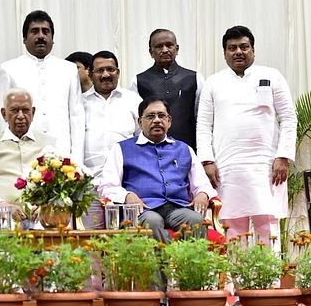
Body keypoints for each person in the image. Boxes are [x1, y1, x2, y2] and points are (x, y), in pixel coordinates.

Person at [196, 25, 297, 252]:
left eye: (244, 47)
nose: (238, 52)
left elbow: (289, 118)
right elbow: (203, 125)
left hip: (266, 165)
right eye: (232, 48)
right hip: (227, 166)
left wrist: (283, 156)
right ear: (224, 53)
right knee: (232, 224)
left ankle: (269, 283)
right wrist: (207, 161)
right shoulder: (213, 82)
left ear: (253, 50)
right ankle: (237, 283)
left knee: (267, 223)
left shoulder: (272, 76)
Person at [99, 96, 216, 244]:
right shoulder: (122, 149)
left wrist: (203, 194)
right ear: (140, 123)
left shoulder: (184, 149)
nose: (156, 120)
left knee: (195, 219)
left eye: (161, 116)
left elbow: (202, 184)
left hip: (177, 208)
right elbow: (107, 186)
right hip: (144, 210)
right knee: (152, 222)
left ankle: (188, 266)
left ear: (169, 121)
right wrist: (127, 195)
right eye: (150, 116)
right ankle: (161, 267)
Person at [0, 10, 85, 162]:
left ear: (52, 38)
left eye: (46, 32)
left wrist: (76, 158)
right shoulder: (9, 69)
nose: (41, 36)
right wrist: (9, 154)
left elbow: (76, 115)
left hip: (62, 152)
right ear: (24, 39)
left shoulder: (68, 69)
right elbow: (2, 117)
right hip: (23, 154)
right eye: (34, 31)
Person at [0, 88, 56, 219]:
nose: (20, 116)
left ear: (33, 112)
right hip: (1, 216)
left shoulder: (49, 144)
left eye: (25, 110)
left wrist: (46, 205)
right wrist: (2, 205)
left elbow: (60, 185)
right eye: (14, 110)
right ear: (4, 114)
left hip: (40, 217)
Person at [82, 51, 141, 228]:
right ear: (90, 74)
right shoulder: (79, 103)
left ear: (118, 72)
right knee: (91, 245)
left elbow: (142, 139)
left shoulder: (133, 100)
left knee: (128, 243)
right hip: (89, 187)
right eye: (100, 71)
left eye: (111, 69)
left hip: (127, 187)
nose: (106, 75)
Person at [131, 29, 204, 150]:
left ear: (177, 49)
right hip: (150, 151)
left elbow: (202, 120)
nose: (165, 50)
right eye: (159, 46)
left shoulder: (195, 78)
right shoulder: (138, 81)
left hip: (188, 149)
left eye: (169, 45)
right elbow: (137, 124)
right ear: (151, 52)